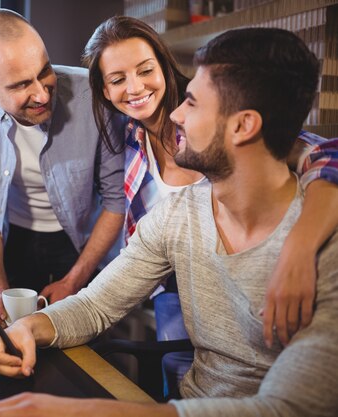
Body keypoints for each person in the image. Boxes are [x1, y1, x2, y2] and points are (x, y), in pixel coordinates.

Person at [0, 28, 338, 417]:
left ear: (243, 126)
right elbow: (96, 306)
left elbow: (289, 408)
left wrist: (77, 412)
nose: (177, 114)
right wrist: (27, 328)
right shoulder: (175, 213)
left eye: (192, 102)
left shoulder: (323, 238)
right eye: (116, 80)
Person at [82, 16, 338, 395]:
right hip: (173, 283)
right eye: (117, 80)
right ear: (104, 91)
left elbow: (325, 153)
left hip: (246, 276)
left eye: (145, 70)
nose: (134, 88)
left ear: (165, 66)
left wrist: (299, 247)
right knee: (187, 383)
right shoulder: (129, 137)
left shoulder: (214, 112)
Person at [0, 10, 125, 323]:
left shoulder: (91, 95)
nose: (42, 94)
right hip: (12, 237)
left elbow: (116, 198)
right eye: (20, 85)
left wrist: (74, 280)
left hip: (82, 241)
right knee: (15, 338)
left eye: (44, 71)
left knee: (82, 344)